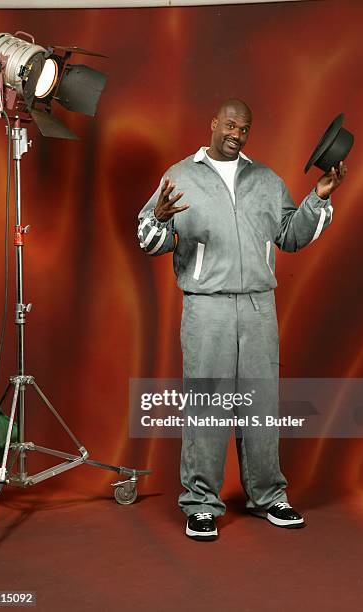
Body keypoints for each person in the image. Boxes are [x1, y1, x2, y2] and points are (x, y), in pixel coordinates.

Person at [137, 99, 346, 541]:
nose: (237, 132)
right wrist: (158, 218)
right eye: (230, 124)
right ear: (213, 123)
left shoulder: (266, 181)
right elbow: (148, 239)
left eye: (244, 128)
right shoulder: (180, 177)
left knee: (262, 404)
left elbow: (290, 237)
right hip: (206, 306)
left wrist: (318, 198)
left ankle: (269, 496)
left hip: (257, 308)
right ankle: (200, 504)